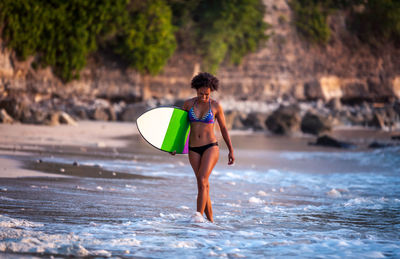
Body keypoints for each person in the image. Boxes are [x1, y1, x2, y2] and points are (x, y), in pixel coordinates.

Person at [181, 72, 235, 223]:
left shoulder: (216, 106)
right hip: (193, 148)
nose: (204, 97)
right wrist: (175, 146)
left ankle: (198, 219)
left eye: (207, 94)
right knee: (202, 185)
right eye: (201, 94)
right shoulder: (188, 104)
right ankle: (211, 222)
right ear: (196, 90)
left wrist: (231, 150)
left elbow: (224, 129)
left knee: (202, 178)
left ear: (211, 91)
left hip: (211, 147)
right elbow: (181, 128)